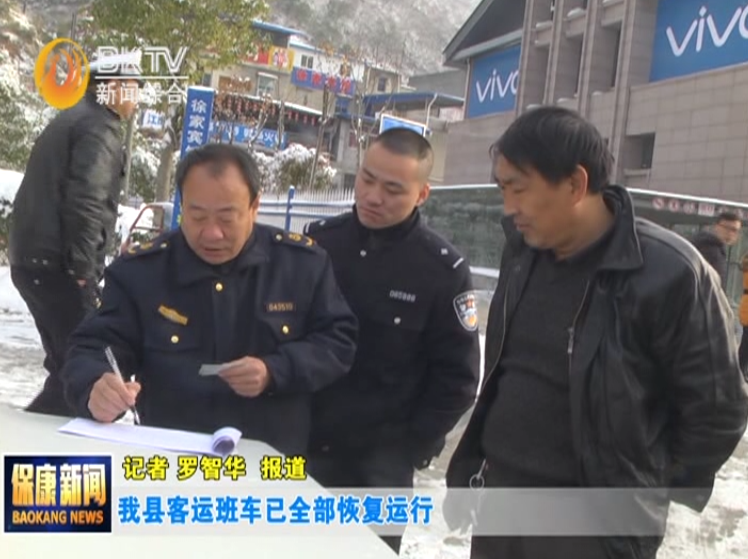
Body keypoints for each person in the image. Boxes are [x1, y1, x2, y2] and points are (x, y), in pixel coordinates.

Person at [444, 106, 748, 559]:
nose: (509, 208)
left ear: (575, 184)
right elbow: (504, 369)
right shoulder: (522, 252)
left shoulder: (670, 272)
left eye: (519, 190)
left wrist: (637, 490)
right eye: (503, 190)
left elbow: (718, 410)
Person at [60, 144, 358, 456]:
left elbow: (338, 341)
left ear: (254, 207)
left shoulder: (300, 265)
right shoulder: (142, 272)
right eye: (197, 216)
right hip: (170, 455)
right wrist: (95, 386)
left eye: (227, 218)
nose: (212, 233)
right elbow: (94, 345)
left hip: (269, 459)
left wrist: (275, 370)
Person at [303, 128, 481, 554]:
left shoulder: (442, 271)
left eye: (393, 189)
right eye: (367, 179)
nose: (373, 196)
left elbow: (458, 379)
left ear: (422, 194)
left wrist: (411, 447)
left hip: (379, 464)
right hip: (305, 445)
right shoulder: (319, 243)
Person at [8, 57, 143, 417]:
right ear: (112, 87)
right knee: (89, 369)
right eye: (134, 88)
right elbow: (87, 200)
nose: (137, 99)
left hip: (37, 260)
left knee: (68, 368)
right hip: (60, 266)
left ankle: (29, 435)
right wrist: (84, 270)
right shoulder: (99, 128)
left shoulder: (76, 118)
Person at [690, 212, 741, 288]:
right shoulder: (709, 248)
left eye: (736, 230)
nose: (731, 233)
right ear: (716, 226)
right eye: (728, 228)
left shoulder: (715, 248)